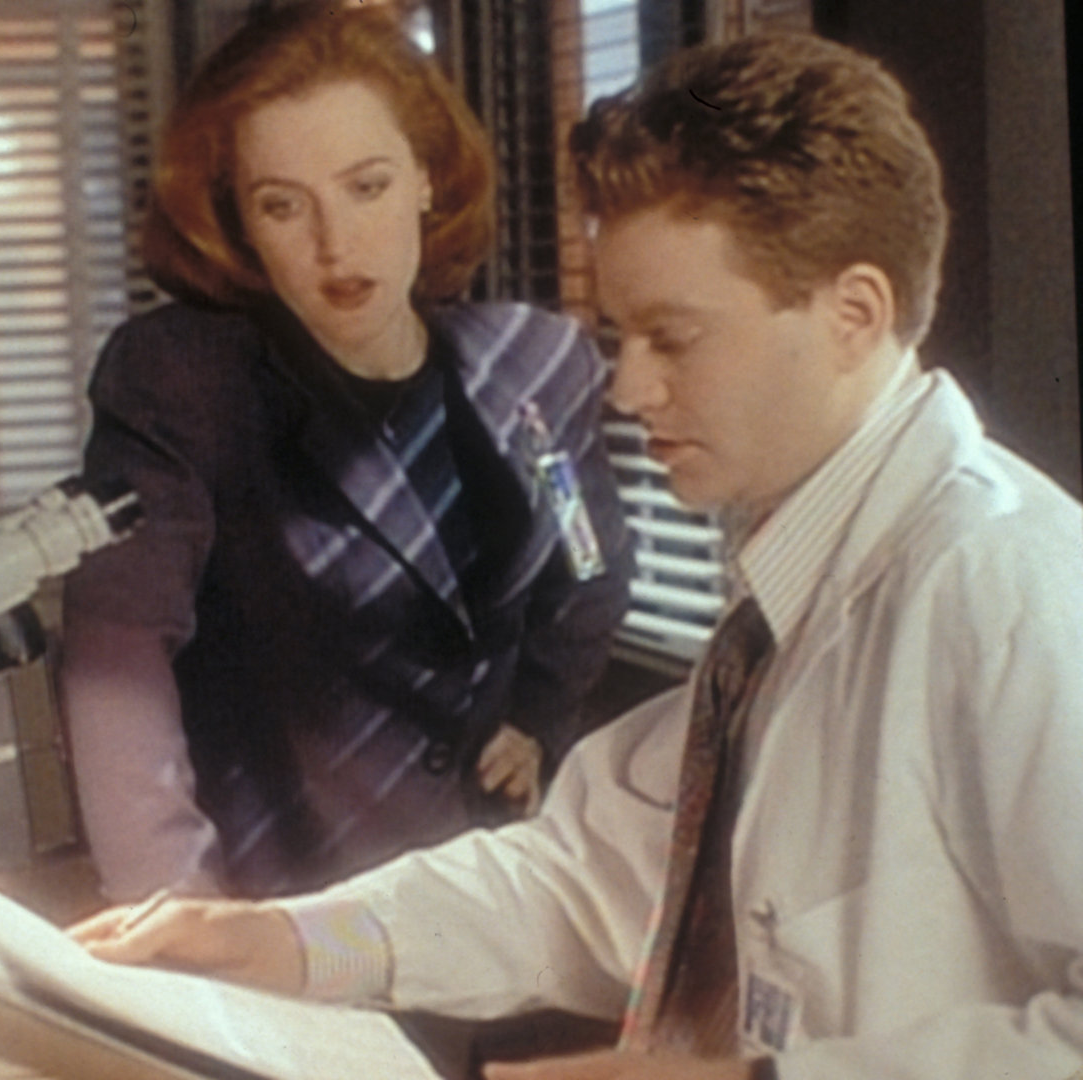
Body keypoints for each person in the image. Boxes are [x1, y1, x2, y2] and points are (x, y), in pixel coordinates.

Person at [71, 31, 1083, 1080]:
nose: (628, 388)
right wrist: (286, 942)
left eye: (673, 339)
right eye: (621, 336)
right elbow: (572, 888)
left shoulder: (1006, 588)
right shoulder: (796, 600)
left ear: (854, 314)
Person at [59, 1, 634, 901]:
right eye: (283, 205)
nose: (337, 245)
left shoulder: (536, 365)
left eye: (367, 187)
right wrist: (176, 913)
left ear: (427, 179)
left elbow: (589, 564)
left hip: (487, 900)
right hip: (283, 909)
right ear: (239, 223)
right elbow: (115, 663)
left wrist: (539, 714)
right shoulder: (183, 383)